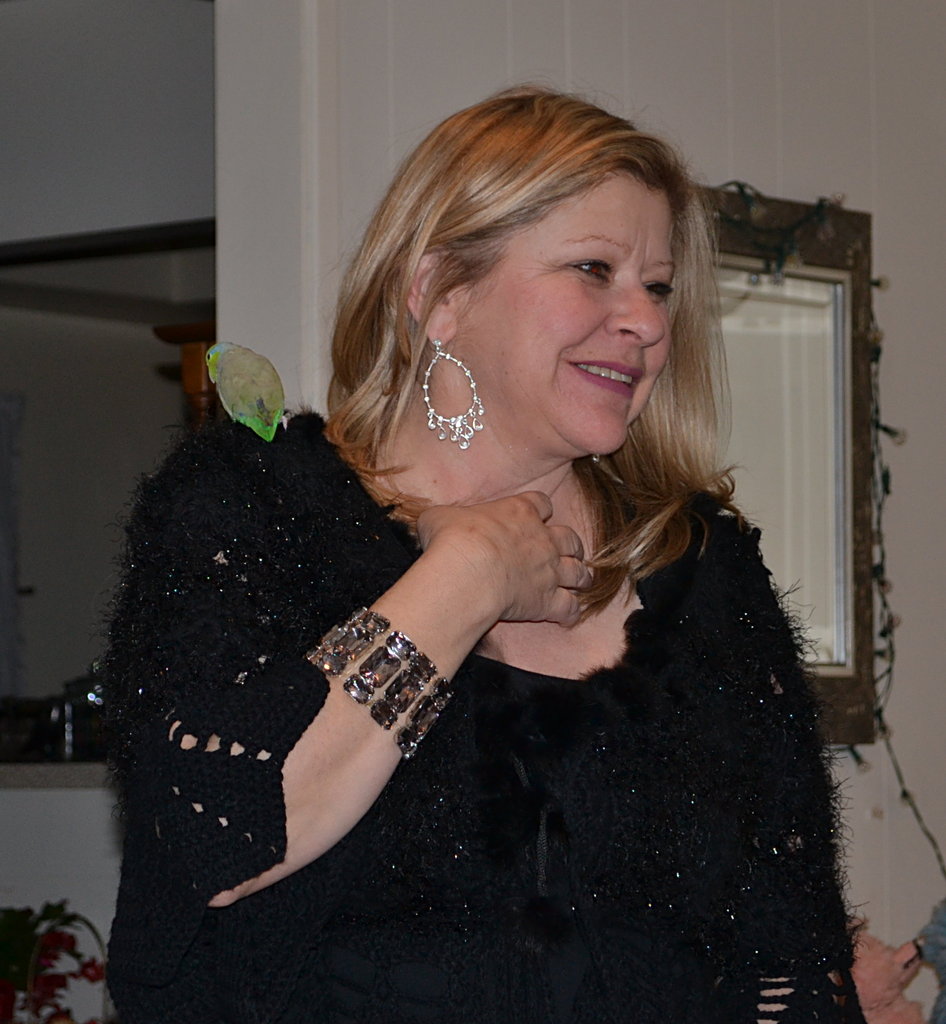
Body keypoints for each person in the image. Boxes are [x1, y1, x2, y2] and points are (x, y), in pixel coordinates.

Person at [103, 86, 864, 1023]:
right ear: (440, 295)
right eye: (594, 269)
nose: (647, 321)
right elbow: (210, 843)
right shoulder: (255, 509)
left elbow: (788, 957)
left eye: (658, 286)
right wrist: (466, 580)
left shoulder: (701, 567)